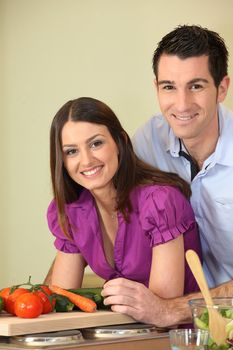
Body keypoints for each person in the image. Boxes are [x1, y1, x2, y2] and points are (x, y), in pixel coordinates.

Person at [102, 25, 233, 326]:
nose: (182, 104)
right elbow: (103, 203)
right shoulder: (148, 141)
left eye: (196, 86)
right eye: (169, 87)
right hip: (189, 329)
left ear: (222, 88)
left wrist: (172, 309)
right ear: (156, 87)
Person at [47, 96, 202, 303]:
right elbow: (61, 298)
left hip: (176, 333)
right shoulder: (73, 211)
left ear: (120, 142)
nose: (86, 160)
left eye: (96, 144)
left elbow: (163, 310)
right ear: (62, 161)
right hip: (122, 330)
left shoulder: (161, 203)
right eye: (72, 151)